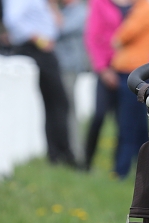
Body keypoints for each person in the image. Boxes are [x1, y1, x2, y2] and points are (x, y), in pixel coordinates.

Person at [84, 0, 149, 178]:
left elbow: (122, 36)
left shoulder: (143, 8)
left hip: (131, 70)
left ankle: (122, 170)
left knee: (129, 124)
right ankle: (140, 169)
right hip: (122, 69)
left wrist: (117, 42)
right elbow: (94, 37)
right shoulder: (103, 4)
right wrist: (102, 67)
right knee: (129, 122)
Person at [3, 0, 77, 166]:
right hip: (35, 49)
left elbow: (58, 24)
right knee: (58, 103)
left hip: (44, 49)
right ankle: (60, 154)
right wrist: (39, 39)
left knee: (56, 104)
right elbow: (12, 20)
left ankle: (59, 153)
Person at [56, 0, 90, 167]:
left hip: (68, 68)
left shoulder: (80, 11)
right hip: (62, 68)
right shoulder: (67, 10)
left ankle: (76, 154)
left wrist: (50, 8)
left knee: (69, 111)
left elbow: (58, 28)